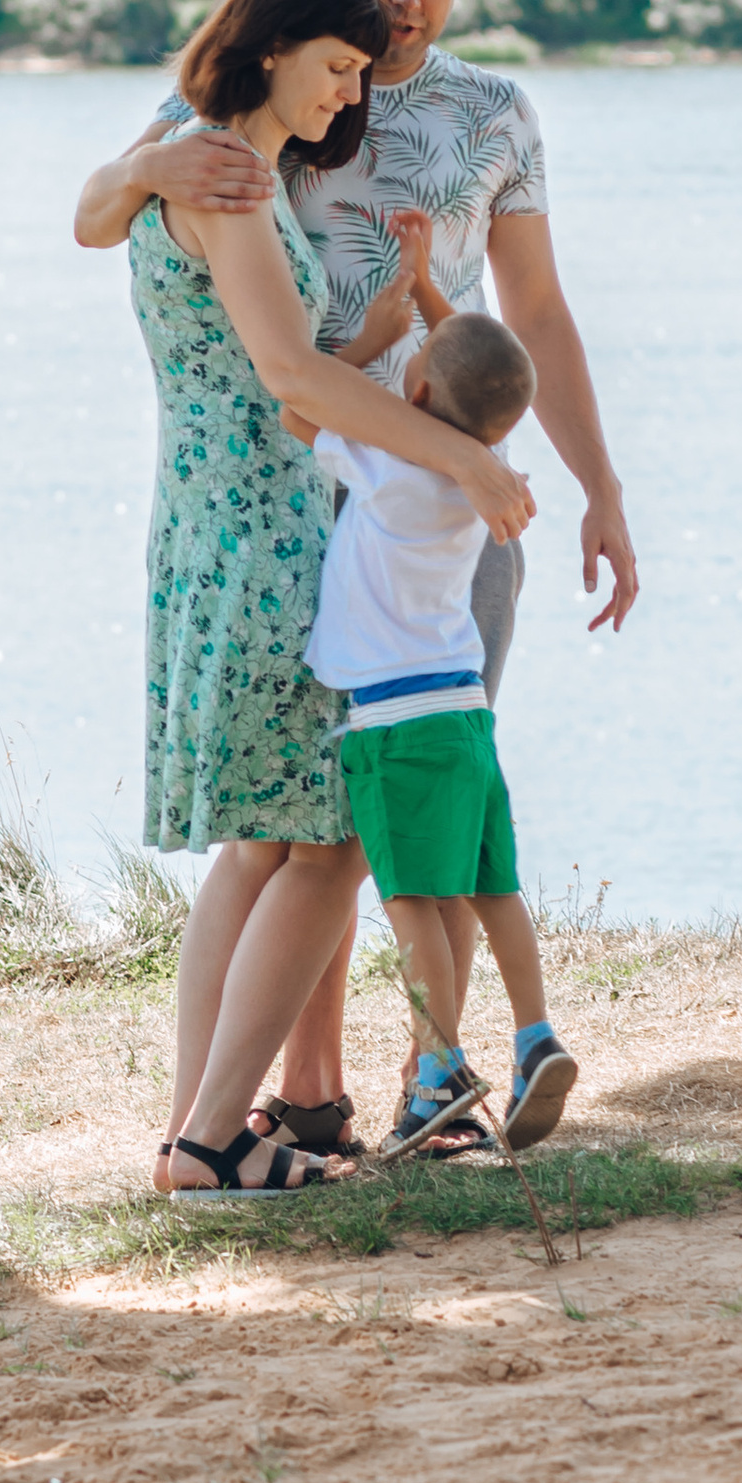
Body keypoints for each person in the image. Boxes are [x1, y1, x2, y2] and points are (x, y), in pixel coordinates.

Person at [74, 0, 635, 1140]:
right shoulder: (247, 137)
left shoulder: (478, 117)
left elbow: (531, 310)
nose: (404, 9)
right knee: (316, 822)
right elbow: (166, 260)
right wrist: (150, 163)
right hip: (306, 506)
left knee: (406, 807)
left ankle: (406, 1085)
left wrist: (592, 483)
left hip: (428, 514)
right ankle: (286, 1106)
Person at [123, 0, 534, 1197]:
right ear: (270, 43)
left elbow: (303, 354)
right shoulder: (232, 180)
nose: (352, 95)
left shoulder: (194, 151)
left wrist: (394, 327)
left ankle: (206, 1128)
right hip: (261, 531)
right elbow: (292, 384)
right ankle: (206, 1141)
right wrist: (461, 465)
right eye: (341, 66)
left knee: (261, 843)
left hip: (228, 519)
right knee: (329, 840)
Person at [298, 306, 579, 1156]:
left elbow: (297, 406)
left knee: (414, 902)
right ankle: (535, 1038)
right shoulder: (487, 472)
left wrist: (379, 334)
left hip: (394, 720)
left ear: (415, 388)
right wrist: (427, 295)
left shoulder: (385, 463)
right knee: (494, 889)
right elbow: (473, 370)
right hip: (466, 710)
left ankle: (440, 1068)